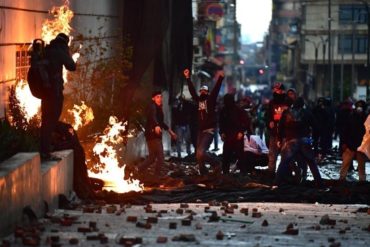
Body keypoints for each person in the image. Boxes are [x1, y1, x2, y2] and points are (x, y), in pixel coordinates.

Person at [40, 33, 76, 161]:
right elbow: (72, 66)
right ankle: (45, 152)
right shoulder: (60, 51)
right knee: (51, 122)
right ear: (65, 43)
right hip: (54, 93)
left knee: (45, 122)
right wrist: (67, 53)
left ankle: (44, 150)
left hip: (44, 93)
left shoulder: (47, 50)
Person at [274, 97, 324, 188]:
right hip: (305, 139)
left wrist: (280, 139)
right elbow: (316, 128)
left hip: (290, 140)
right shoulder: (307, 113)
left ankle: (277, 183)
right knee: (311, 162)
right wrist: (313, 141)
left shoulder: (286, 113)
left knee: (284, 162)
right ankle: (319, 183)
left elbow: (280, 127)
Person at [183, 68, 224, 175]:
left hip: (209, 130)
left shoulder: (210, 101)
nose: (202, 92)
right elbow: (192, 92)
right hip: (201, 131)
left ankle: (216, 163)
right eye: (201, 90)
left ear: (207, 93)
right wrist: (188, 78)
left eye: (205, 91)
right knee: (198, 154)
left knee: (201, 152)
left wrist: (220, 78)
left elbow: (216, 91)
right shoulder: (198, 101)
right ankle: (203, 172)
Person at [138, 91, 176, 175]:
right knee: (161, 158)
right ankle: (156, 176)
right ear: (153, 98)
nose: (160, 99)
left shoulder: (158, 108)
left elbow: (161, 122)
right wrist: (156, 125)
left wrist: (170, 131)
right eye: (157, 97)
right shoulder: (153, 106)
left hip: (152, 135)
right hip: (153, 135)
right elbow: (153, 116)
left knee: (151, 158)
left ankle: (138, 170)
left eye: (160, 97)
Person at [219, 93, 252, 174]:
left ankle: (243, 173)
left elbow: (246, 122)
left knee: (240, 155)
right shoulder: (223, 110)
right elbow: (221, 123)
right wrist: (222, 132)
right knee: (226, 156)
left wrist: (241, 132)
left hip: (237, 136)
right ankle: (225, 173)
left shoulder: (238, 110)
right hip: (228, 137)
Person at [339, 100, 368, 182]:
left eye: (361, 107)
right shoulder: (350, 117)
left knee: (361, 165)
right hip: (350, 144)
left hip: (361, 146)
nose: (359, 108)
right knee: (345, 163)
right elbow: (345, 131)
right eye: (358, 106)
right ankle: (342, 178)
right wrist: (344, 143)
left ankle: (362, 180)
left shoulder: (366, 118)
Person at [265, 82, 289, 177]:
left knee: (286, 155)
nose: (276, 91)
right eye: (275, 89)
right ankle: (271, 173)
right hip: (274, 132)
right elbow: (268, 116)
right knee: (272, 155)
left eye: (278, 89)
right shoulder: (272, 102)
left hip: (285, 134)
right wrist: (269, 122)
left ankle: (285, 174)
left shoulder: (287, 102)